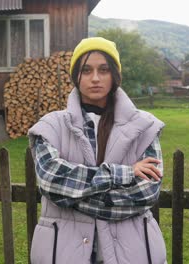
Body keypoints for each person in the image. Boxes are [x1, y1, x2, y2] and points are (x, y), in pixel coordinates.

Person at [28, 37, 167, 264]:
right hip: (64, 253)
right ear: (76, 76)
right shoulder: (51, 126)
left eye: (103, 70)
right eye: (86, 70)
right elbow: (51, 180)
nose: (95, 78)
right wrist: (125, 173)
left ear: (114, 75)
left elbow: (146, 193)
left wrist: (71, 197)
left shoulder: (145, 126)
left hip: (132, 253)